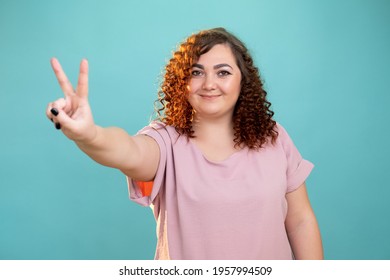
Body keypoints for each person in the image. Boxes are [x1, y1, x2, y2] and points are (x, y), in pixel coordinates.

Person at [46, 27, 323, 260]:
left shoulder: (273, 137)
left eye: (223, 72)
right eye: (196, 72)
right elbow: (127, 151)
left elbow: (300, 221)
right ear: (182, 82)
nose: (209, 83)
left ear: (243, 81)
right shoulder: (165, 142)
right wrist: (89, 134)